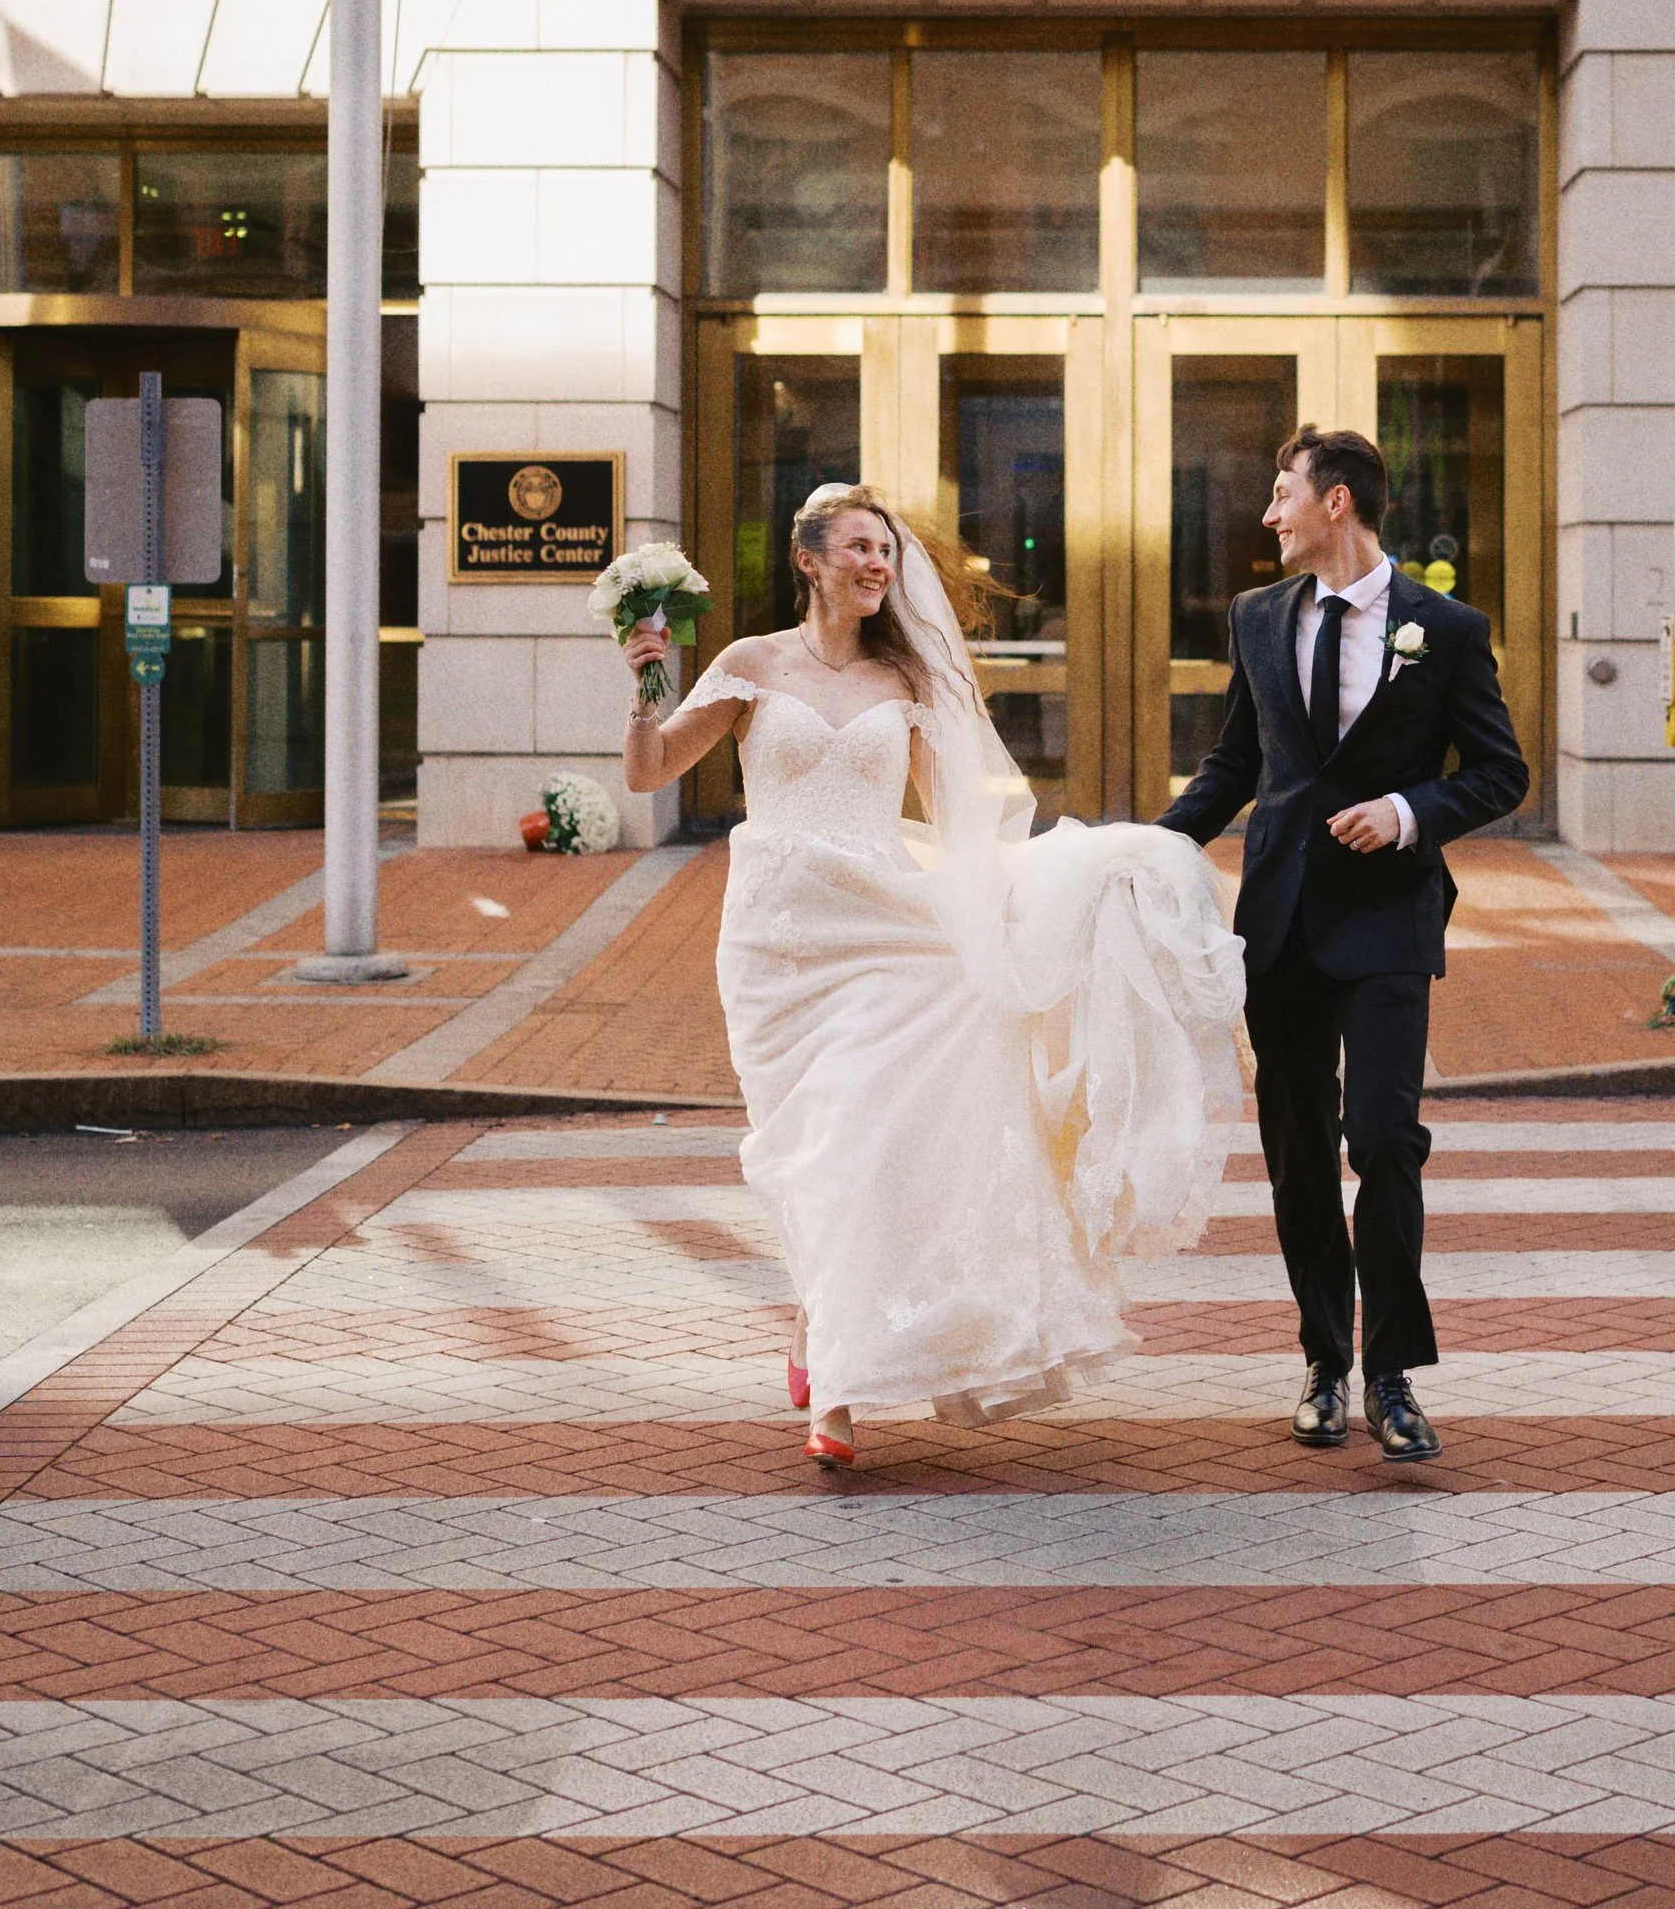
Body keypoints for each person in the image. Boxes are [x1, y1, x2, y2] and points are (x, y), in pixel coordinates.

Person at [623, 483, 1244, 1466]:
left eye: (887, 553)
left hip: (882, 929)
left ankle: (835, 1383)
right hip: (777, 944)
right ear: (809, 559)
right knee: (809, 1147)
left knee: (859, 1145)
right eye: (861, 548)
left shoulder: (901, 686)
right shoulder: (749, 666)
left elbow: (958, 826)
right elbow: (650, 771)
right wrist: (649, 683)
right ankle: (821, 1321)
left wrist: (1021, 904)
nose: (879, 565)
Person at [1158, 425, 1527, 1464]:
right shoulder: (1255, 618)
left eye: (1281, 495)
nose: (1267, 515)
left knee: (1383, 1139)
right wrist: (1148, 848)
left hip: (1387, 921)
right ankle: (1324, 1356)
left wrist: (1408, 810)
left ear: (1335, 506)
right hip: (1277, 919)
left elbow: (1499, 773)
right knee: (1297, 1153)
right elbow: (1236, 762)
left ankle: (1392, 1374)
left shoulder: (1444, 629)